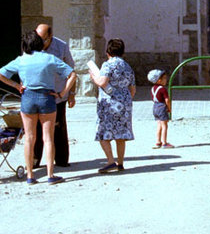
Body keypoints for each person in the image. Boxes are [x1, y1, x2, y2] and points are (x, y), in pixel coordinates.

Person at [0, 30, 76, 185]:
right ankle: (50, 174)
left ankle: (30, 175)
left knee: (29, 138)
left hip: (28, 98)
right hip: (47, 98)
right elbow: (72, 74)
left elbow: (1, 74)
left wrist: (16, 85)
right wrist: (62, 93)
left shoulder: (21, 60)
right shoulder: (50, 59)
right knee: (48, 138)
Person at [87, 38, 135, 173]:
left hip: (109, 104)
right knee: (120, 135)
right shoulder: (127, 66)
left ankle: (110, 161)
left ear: (108, 51)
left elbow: (102, 81)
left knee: (103, 132)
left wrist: (93, 77)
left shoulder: (108, 65)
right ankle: (120, 162)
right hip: (124, 103)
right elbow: (133, 89)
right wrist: (125, 100)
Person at [32, 24, 75, 168]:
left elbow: (71, 71)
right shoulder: (31, 45)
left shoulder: (61, 47)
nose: (39, 42)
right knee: (35, 129)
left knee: (58, 128)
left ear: (49, 37)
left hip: (57, 95)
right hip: (36, 95)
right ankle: (34, 160)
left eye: (42, 39)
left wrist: (71, 94)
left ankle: (61, 160)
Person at [147, 69, 173, 149]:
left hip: (155, 107)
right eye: (164, 78)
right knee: (165, 125)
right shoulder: (163, 89)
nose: (166, 80)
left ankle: (158, 142)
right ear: (159, 80)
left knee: (159, 125)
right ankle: (164, 142)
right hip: (162, 107)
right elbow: (167, 100)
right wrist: (169, 108)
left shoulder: (153, 88)